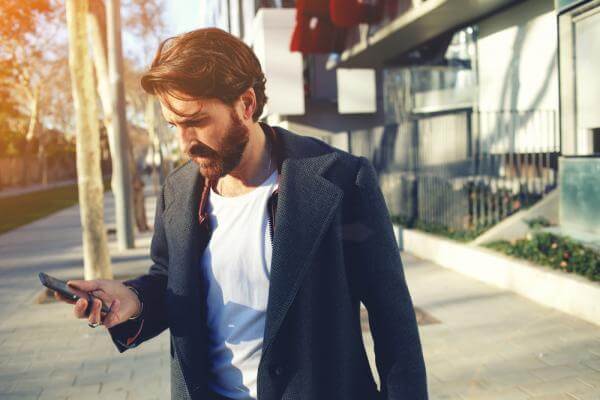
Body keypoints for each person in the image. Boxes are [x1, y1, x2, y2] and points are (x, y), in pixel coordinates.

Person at [55, 28, 428, 400]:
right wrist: (132, 299)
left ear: (246, 104)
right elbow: (169, 278)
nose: (184, 144)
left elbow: (393, 321)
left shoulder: (341, 179)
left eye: (195, 121)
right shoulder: (179, 190)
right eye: (174, 125)